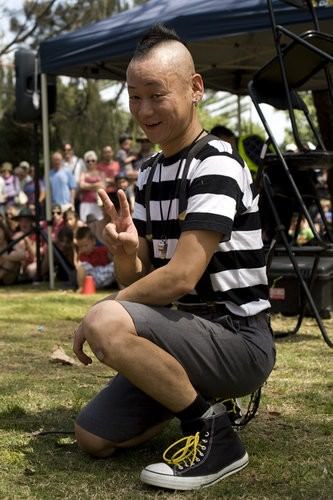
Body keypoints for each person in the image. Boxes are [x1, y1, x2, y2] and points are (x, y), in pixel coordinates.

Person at [73, 25, 275, 492]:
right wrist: (126, 251)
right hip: (180, 338)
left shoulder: (217, 164)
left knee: (107, 319)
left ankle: (216, 437)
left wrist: (103, 312)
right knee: (92, 438)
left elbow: (181, 276)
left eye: (156, 95)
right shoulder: (148, 174)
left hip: (239, 341)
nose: (144, 110)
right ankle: (192, 399)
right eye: (134, 97)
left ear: (196, 88)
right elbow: (140, 274)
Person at [74, 226, 115, 293]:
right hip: (92, 278)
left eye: (86, 245)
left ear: (93, 242)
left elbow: (111, 259)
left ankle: (122, 287)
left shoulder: (102, 250)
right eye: (80, 247)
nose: (83, 249)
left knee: (116, 264)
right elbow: (79, 267)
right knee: (82, 267)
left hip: (105, 273)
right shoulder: (82, 255)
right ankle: (81, 287)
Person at [79, 151, 105, 222]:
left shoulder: (101, 173)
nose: (90, 162)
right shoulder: (83, 173)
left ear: (96, 161)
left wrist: (88, 186)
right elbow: (81, 185)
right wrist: (96, 185)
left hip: (98, 204)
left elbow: (103, 186)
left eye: (93, 160)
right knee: (85, 224)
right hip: (85, 203)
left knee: (99, 224)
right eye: (88, 161)